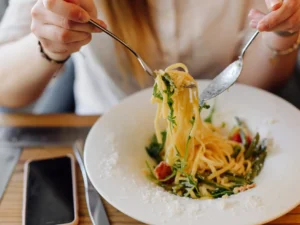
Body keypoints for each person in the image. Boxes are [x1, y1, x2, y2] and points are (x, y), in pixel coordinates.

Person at [0, 0, 300, 115]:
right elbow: (6, 89)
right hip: (101, 126)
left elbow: (256, 83)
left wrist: (280, 32)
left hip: (228, 117)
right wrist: (49, 47)